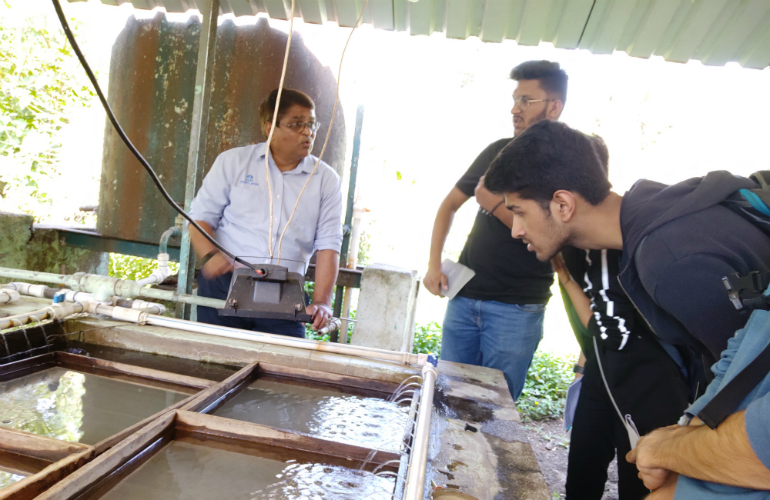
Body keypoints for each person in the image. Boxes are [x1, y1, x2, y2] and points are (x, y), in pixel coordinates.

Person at [484, 120, 770, 499]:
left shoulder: (670, 263)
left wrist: (683, 458)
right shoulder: (651, 208)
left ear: (563, 204)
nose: (515, 229)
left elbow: (746, 382)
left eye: (519, 212)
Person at [554, 136, 688, 500]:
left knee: (641, 475)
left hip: (649, 376)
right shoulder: (572, 248)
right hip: (603, 368)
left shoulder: (635, 237)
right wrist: (564, 276)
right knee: (583, 464)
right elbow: (599, 322)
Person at [424, 60, 567, 401]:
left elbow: (550, 238)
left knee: (494, 409)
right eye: (515, 99)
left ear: (554, 106)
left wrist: (491, 201)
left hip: (517, 308)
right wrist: (433, 265)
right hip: (464, 296)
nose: (514, 109)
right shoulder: (497, 151)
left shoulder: (566, 163)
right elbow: (448, 205)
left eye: (526, 101)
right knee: (446, 399)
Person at [188, 88, 342, 338]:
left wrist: (323, 302)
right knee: (215, 359)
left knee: (282, 368)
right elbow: (200, 219)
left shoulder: (326, 180)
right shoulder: (233, 162)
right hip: (226, 284)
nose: (307, 132)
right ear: (270, 127)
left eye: (311, 124)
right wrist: (210, 257)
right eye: (296, 124)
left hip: (286, 292)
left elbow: (329, 245)